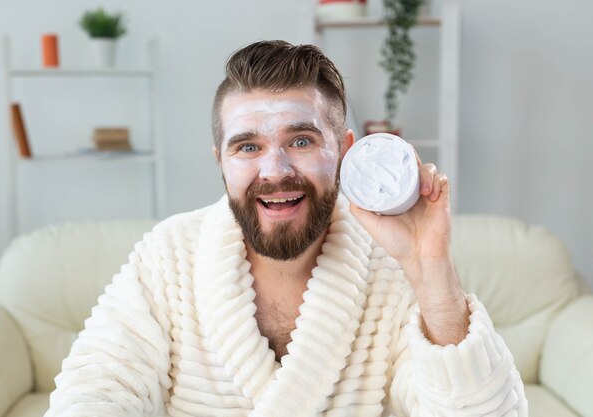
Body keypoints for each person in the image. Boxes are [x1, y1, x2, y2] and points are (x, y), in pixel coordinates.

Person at [45, 40, 527, 417]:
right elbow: (94, 391)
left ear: (345, 150)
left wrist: (430, 269)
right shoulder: (169, 256)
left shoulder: (395, 272)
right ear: (221, 161)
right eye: (247, 147)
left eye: (300, 139)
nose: (275, 171)